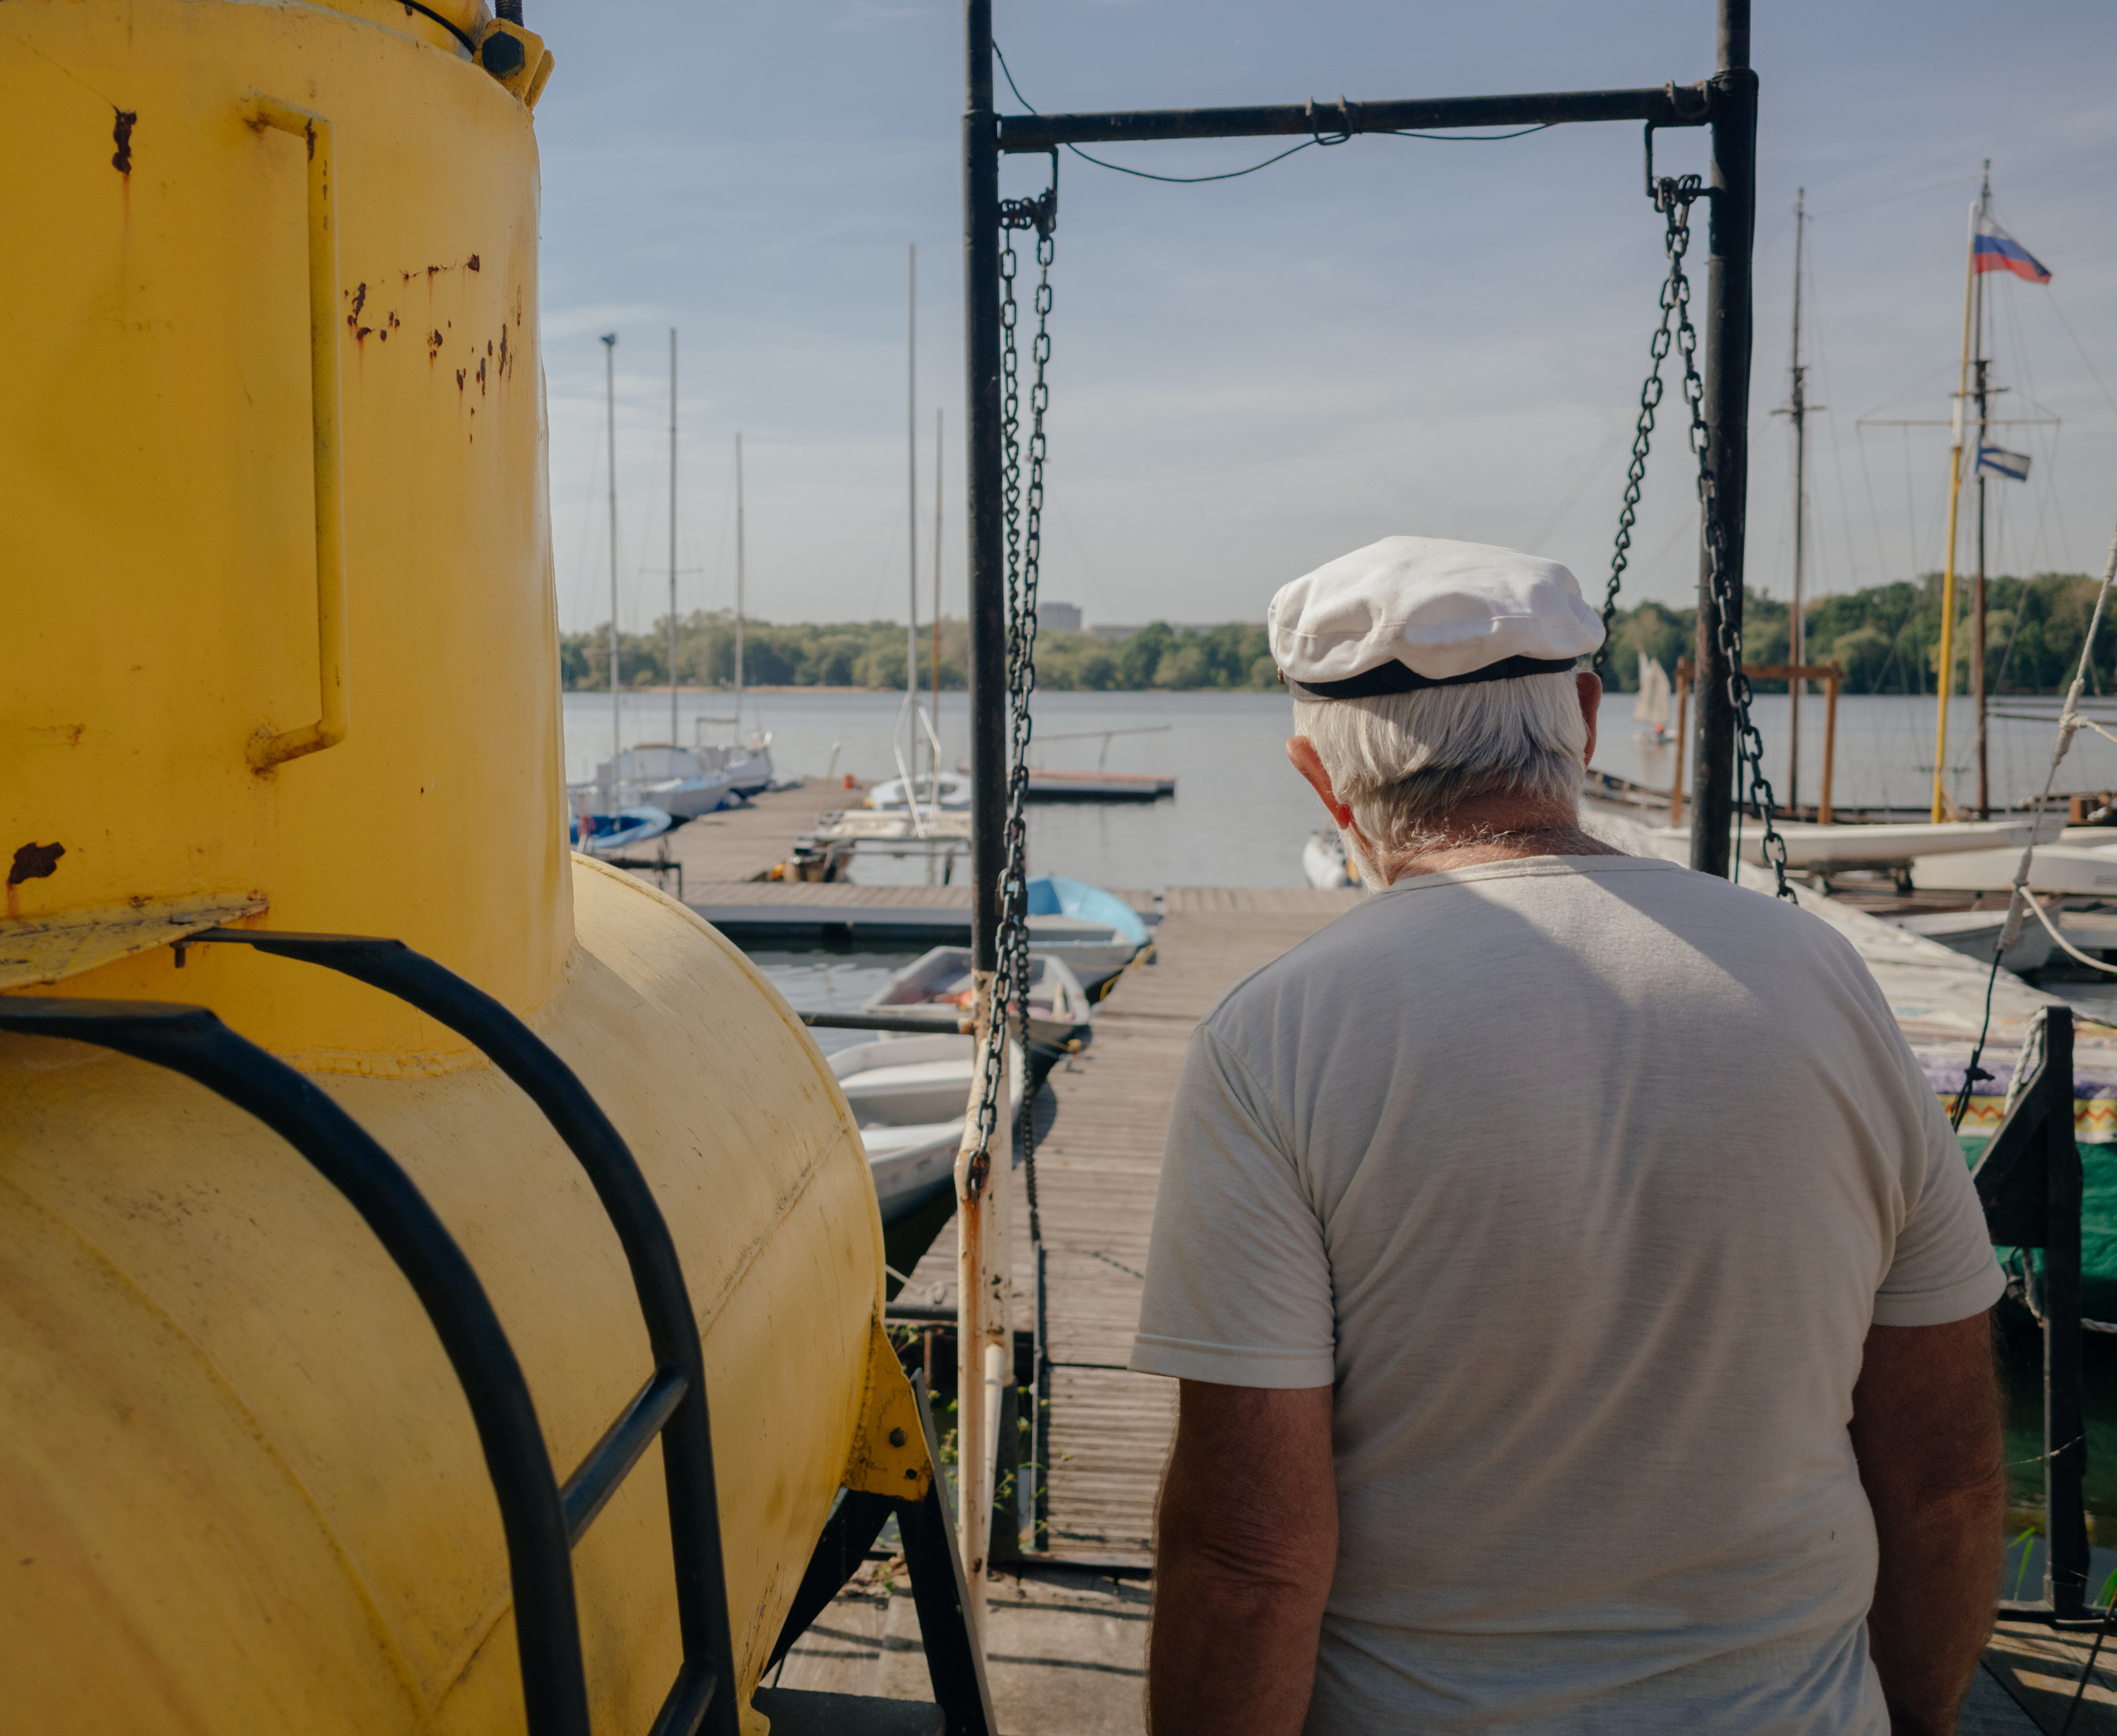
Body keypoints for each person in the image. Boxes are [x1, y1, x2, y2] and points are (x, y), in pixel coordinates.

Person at [1131, 536, 2005, 1735]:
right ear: (1586, 719)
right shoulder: (1825, 981)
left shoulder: (1276, 1040)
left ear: (1319, 778)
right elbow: (1946, 1482)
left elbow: (1248, 1563)